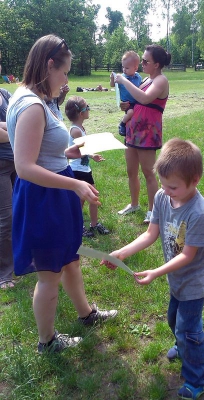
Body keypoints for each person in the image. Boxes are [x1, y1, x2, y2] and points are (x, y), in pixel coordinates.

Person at [6, 35, 117, 353]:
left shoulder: (36, 97)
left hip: (55, 192)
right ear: (49, 65)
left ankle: (86, 315)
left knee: (70, 260)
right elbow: (25, 167)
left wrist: (76, 151)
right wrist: (75, 184)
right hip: (44, 198)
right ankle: (47, 341)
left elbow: (46, 151)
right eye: (65, 72)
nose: (67, 80)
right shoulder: (31, 106)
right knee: (49, 276)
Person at [102, 138, 204, 400]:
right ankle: (182, 343)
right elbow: (151, 233)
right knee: (174, 319)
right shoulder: (163, 197)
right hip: (176, 279)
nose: (165, 190)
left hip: (193, 281)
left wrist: (156, 272)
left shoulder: (199, 213)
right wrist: (122, 252)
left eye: (172, 186)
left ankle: (198, 379)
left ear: (194, 180)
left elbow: (188, 255)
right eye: (162, 184)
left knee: (190, 328)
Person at [114, 45, 171, 223]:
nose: (143, 63)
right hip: (133, 130)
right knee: (131, 170)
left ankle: (153, 211)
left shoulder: (161, 81)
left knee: (148, 172)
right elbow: (137, 100)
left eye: (146, 61)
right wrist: (127, 106)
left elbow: (145, 98)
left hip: (147, 132)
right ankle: (134, 204)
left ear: (157, 64)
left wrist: (124, 81)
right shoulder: (146, 80)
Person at [65, 95, 110, 238]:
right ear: (81, 113)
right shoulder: (76, 131)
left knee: (93, 196)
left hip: (84, 169)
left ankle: (94, 224)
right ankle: (78, 226)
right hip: (78, 170)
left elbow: (84, 149)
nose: (89, 109)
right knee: (82, 200)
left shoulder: (80, 128)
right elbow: (80, 150)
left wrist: (92, 155)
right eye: (87, 107)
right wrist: (92, 153)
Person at [0, 71, 17, 289]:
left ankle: (20, 259)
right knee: (6, 218)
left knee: (19, 213)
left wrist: (6, 127)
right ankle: (4, 273)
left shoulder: (5, 93)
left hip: (17, 162)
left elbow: (18, 119)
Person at [110, 51, 142, 136]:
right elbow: (113, 85)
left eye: (127, 68)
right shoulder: (121, 77)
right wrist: (112, 79)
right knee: (130, 112)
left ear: (135, 68)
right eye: (123, 67)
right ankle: (122, 124)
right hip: (127, 102)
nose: (124, 69)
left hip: (136, 101)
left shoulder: (138, 77)